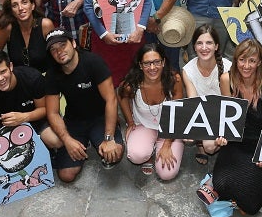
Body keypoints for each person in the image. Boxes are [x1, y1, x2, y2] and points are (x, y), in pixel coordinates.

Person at [197, 40, 262, 215]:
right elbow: (227, 117)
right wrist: (222, 136)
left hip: (259, 143)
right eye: (242, 60)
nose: (246, 66)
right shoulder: (227, 79)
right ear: (235, 60)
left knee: (250, 207)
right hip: (236, 141)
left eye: (252, 61)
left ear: (259, 62)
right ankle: (215, 180)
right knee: (222, 185)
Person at [43, 30, 124, 182]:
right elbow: (52, 113)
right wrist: (67, 140)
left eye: (62, 45)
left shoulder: (93, 62)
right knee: (66, 175)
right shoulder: (52, 74)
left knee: (114, 154)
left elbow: (111, 99)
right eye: (54, 50)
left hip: (100, 117)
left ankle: (106, 137)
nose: (59, 52)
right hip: (74, 121)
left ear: (73, 43)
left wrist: (109, 138)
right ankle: (79, 146)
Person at [118, 44, 185, 180]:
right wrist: (130, 122)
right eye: (147, 63)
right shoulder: (132, 84)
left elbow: (177, 114)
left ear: (163, 62)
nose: (153, 68)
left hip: (169, 129)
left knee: (167, 173)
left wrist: (167, 144)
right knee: (136, 156)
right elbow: (122, 96)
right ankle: (150, 150)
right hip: (144, 126)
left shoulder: (174, 80)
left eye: (156, 62)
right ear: (140, 65)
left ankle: (159, 146)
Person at [0, 49, 59, 150]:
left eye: (3, 71)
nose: (0, 78)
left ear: (11, 67)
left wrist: (24, 117)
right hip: (5, 126)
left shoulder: (32, 78)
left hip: (36, 120)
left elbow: (45, 109)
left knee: (55, 140)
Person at [0, 0, 56, 75]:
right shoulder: (7, 28)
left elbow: (57, 53)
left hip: (45, 79)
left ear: (32, 5)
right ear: (11, 11)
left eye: (24, 2)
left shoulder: (45, 25)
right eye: (15, 5)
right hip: (19, 81)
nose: (20, 8)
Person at [181, 24, 231, 98]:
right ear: (194, 47)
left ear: (216, 46)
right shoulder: (188, 70)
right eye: (199, 43)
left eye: (209, 43)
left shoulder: (229, 67)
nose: (204, 48)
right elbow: (193, 102)